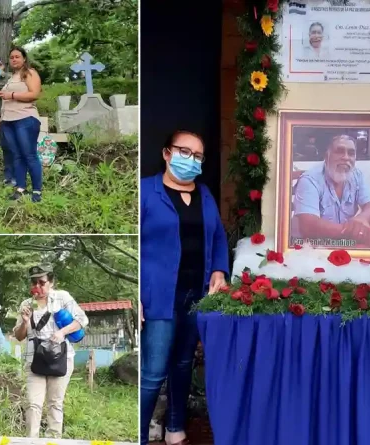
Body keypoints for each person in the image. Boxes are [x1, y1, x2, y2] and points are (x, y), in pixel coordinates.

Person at [140, 130, 229, 445]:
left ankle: (175, 427)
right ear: (167, 153)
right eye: (184, 151)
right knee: (152, 371)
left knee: (182, 363)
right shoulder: (145, 192)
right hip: (158, 297)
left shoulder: (204, 194)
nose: (191, 159)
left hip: (196, 295)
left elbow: (217, 236)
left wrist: (219, 270)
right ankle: (136, 434)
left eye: (198, 155)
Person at [12, 265, 88, 439]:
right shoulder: (26, 304)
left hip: (60, 357)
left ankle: (54, 440)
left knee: (55, 403)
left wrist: (62, 332)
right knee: (33, 403)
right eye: (34, 282)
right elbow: (19, 336)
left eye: (42, 282)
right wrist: (25, 322)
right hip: (35, 359)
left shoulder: (62, 298)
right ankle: (31, 441)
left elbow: (82, 320)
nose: (37, 286)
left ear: (51, 283)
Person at [292, 134, 370, 244]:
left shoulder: (357, 175)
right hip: (307, 247)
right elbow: (309, 226)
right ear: (326, 156)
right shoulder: (310, 180)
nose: (346, 157)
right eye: (339, 151)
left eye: (351, 153)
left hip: (343, 243)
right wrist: (358, 233)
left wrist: (362, 219)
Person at [0, 46, 43, 202]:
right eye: (11, 57)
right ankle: (21, 188)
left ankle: (37, 191)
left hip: (25, 119)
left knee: (29, 155)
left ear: (24, 59)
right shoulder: (11, 77)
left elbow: (34, 94)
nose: (14, 59)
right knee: (17, 155)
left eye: (17, 57)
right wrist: (2, 117)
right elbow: (8, 101)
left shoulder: (30, 73)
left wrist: (11, 95)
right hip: (8, 121)